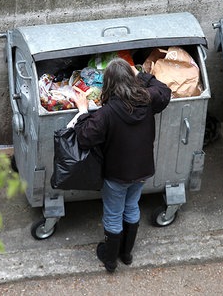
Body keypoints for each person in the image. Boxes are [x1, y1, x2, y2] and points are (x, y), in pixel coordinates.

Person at [70, 57, 171, 273]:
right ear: (131, 80)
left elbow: (84, 137)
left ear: (108, 84)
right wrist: (141, 75)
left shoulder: (106, 114)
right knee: (132, 206)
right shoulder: (148, 99)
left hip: (117, 175)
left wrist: (82, 110)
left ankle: (110, 259)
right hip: (143, 171)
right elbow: (163, 90)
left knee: (114, 213)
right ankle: (126, 254)